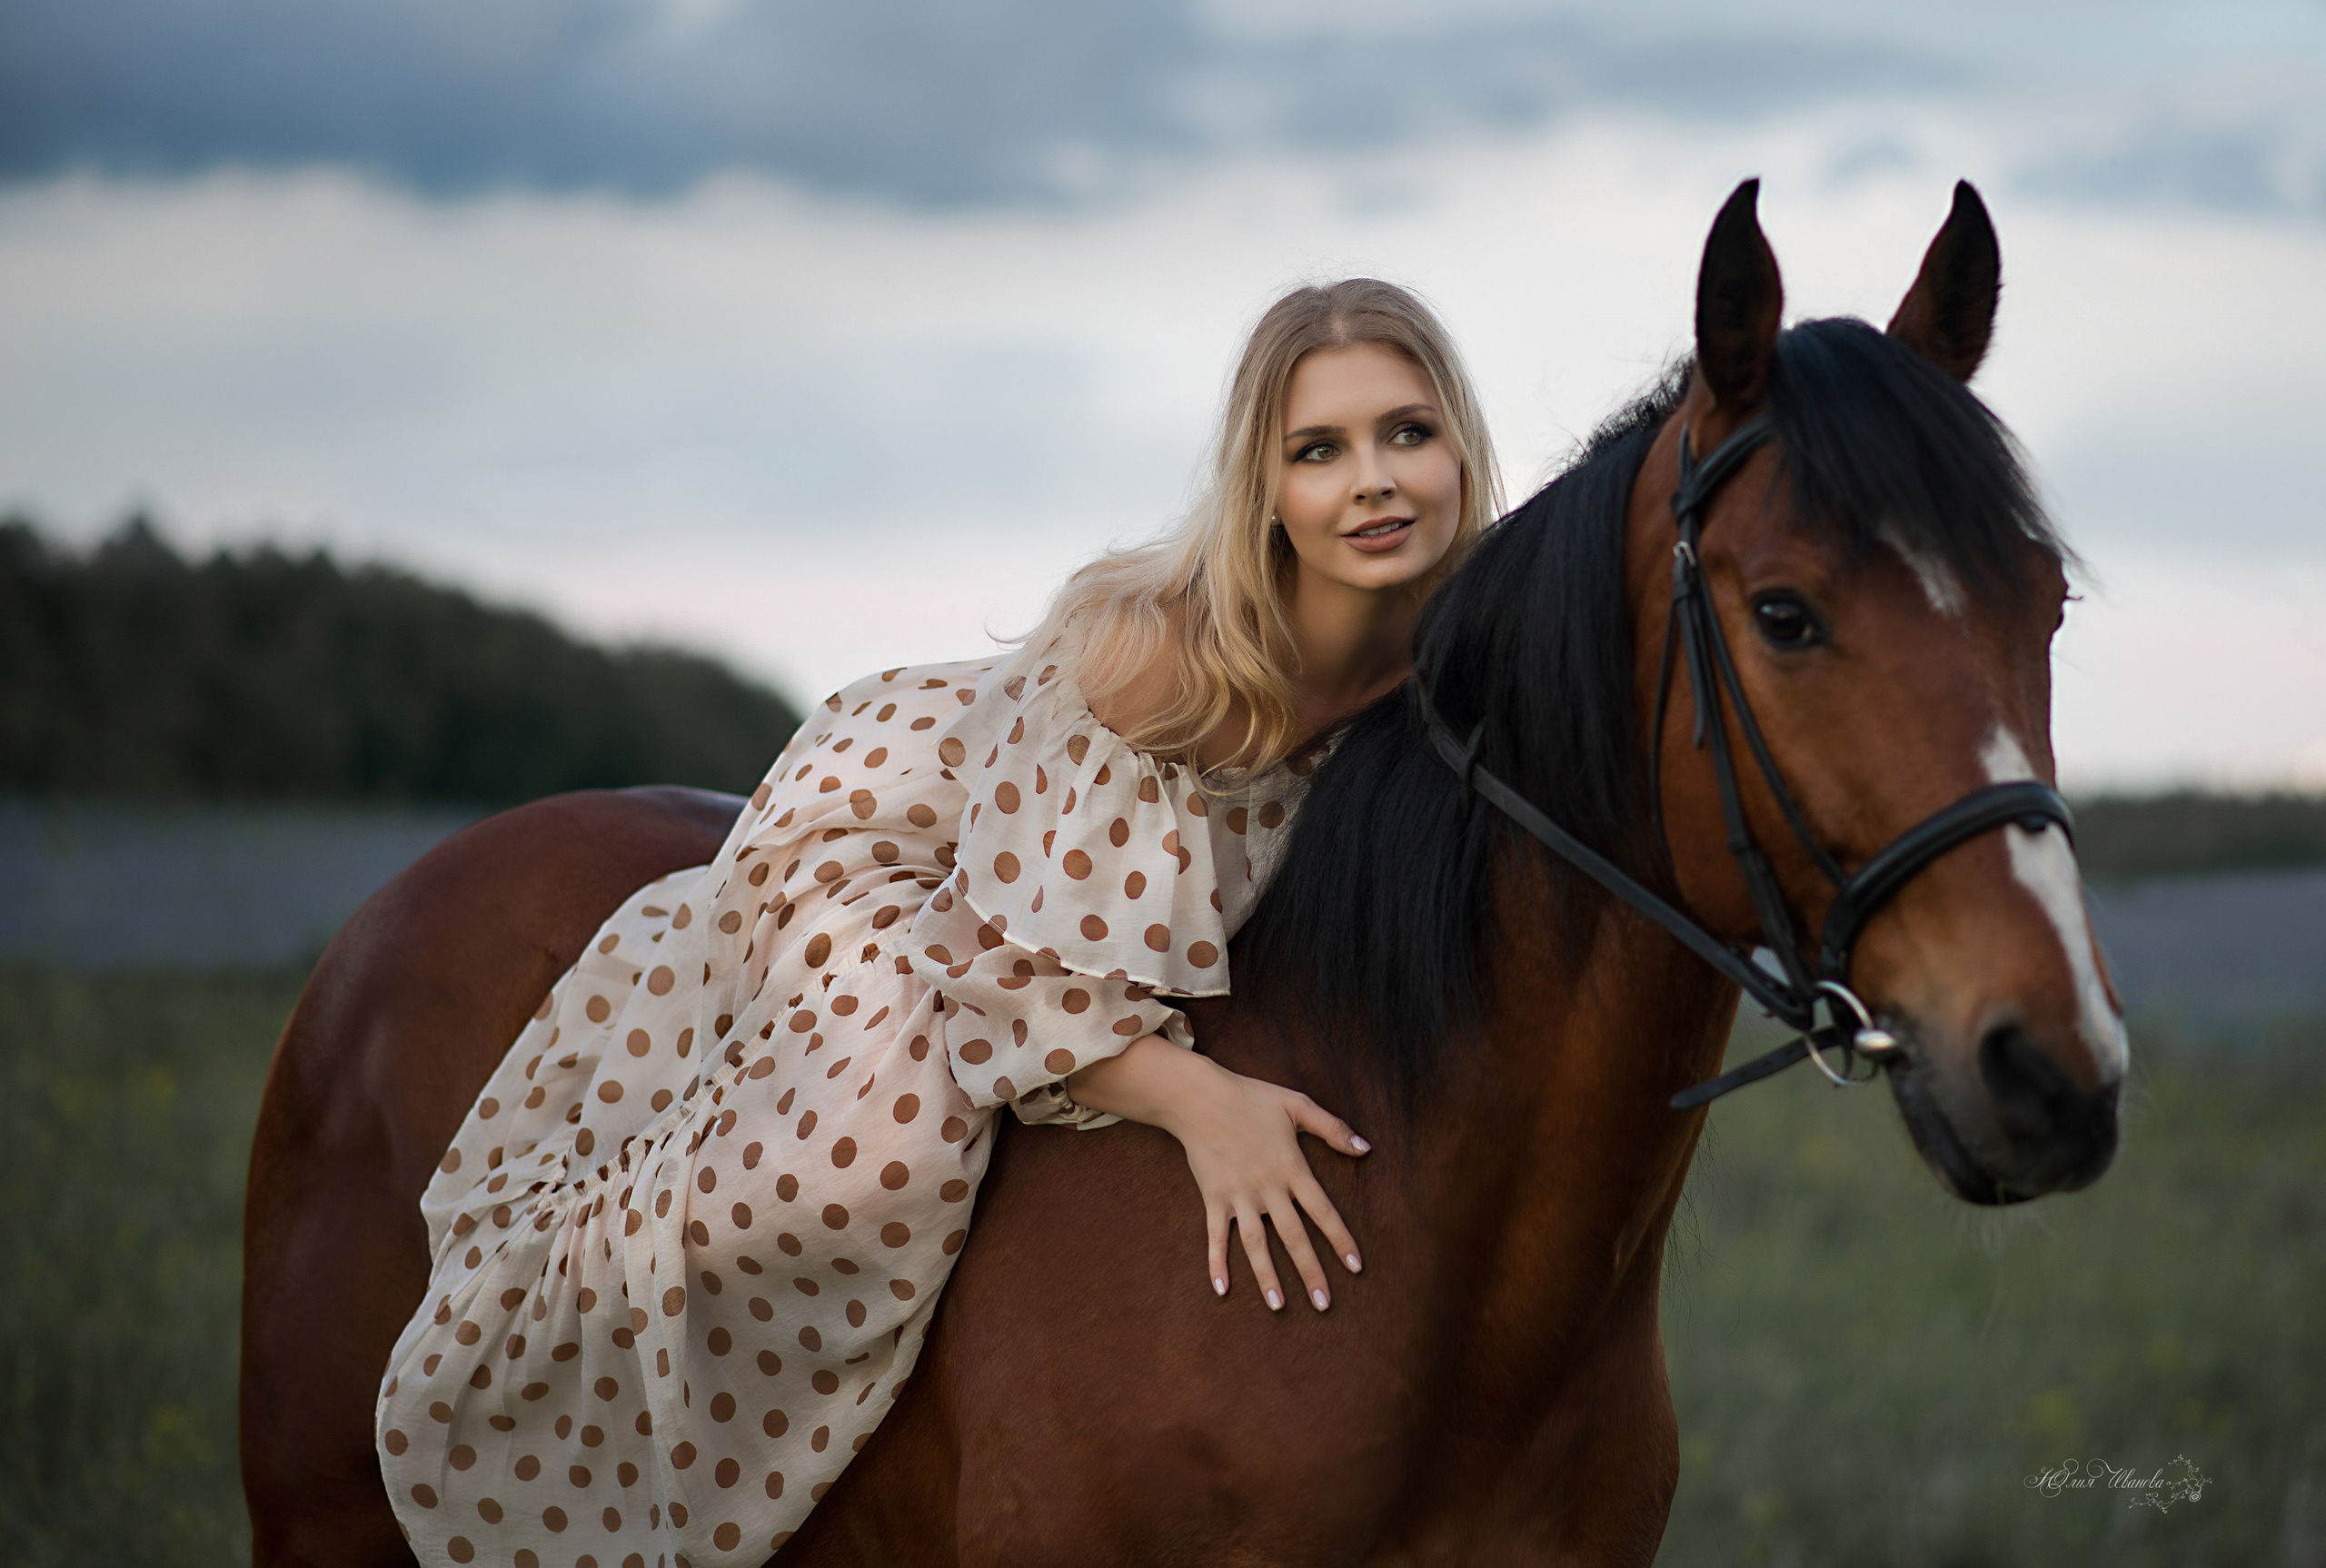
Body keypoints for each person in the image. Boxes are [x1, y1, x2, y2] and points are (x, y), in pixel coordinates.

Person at [376, 278, 1503, 1567]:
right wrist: (1201, 1102)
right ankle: (589, 1394)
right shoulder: (1169, 658)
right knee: (880, 1149)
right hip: (924, 848)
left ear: (1459, 443)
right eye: (1321, 449)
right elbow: (1006, 965)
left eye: (1406, 432)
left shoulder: (1457, 646)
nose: (1374, 480)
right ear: (1265, 486)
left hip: (1092, 892)